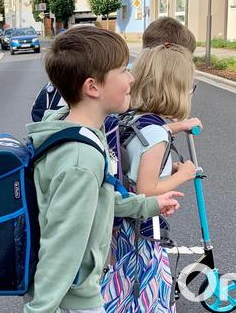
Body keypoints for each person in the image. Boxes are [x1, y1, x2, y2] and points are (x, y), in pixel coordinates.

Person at [23, 26, 184, 313]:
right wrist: (41, 309)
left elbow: (102, 193)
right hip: (72, 300)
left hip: (79, 292)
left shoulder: (78, 129)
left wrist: (148, 205)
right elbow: (62, 244)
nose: (132, 78)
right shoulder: (80, 159)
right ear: (93, 87)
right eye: (123, 70)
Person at [100, 43, 200, 313]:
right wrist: (185, 174)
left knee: (119, 284)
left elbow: (137, 161)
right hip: (142, 228)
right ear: (177, 89)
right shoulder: (157, 134)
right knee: (146, 287)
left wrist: (177, 128)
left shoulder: (132, 119)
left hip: (120, 224)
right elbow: (147, 188)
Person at [30, 17, 197, 124]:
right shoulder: (125, 85)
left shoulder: (106, 73)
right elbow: (133, 133)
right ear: (164, 50)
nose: (130, 78)